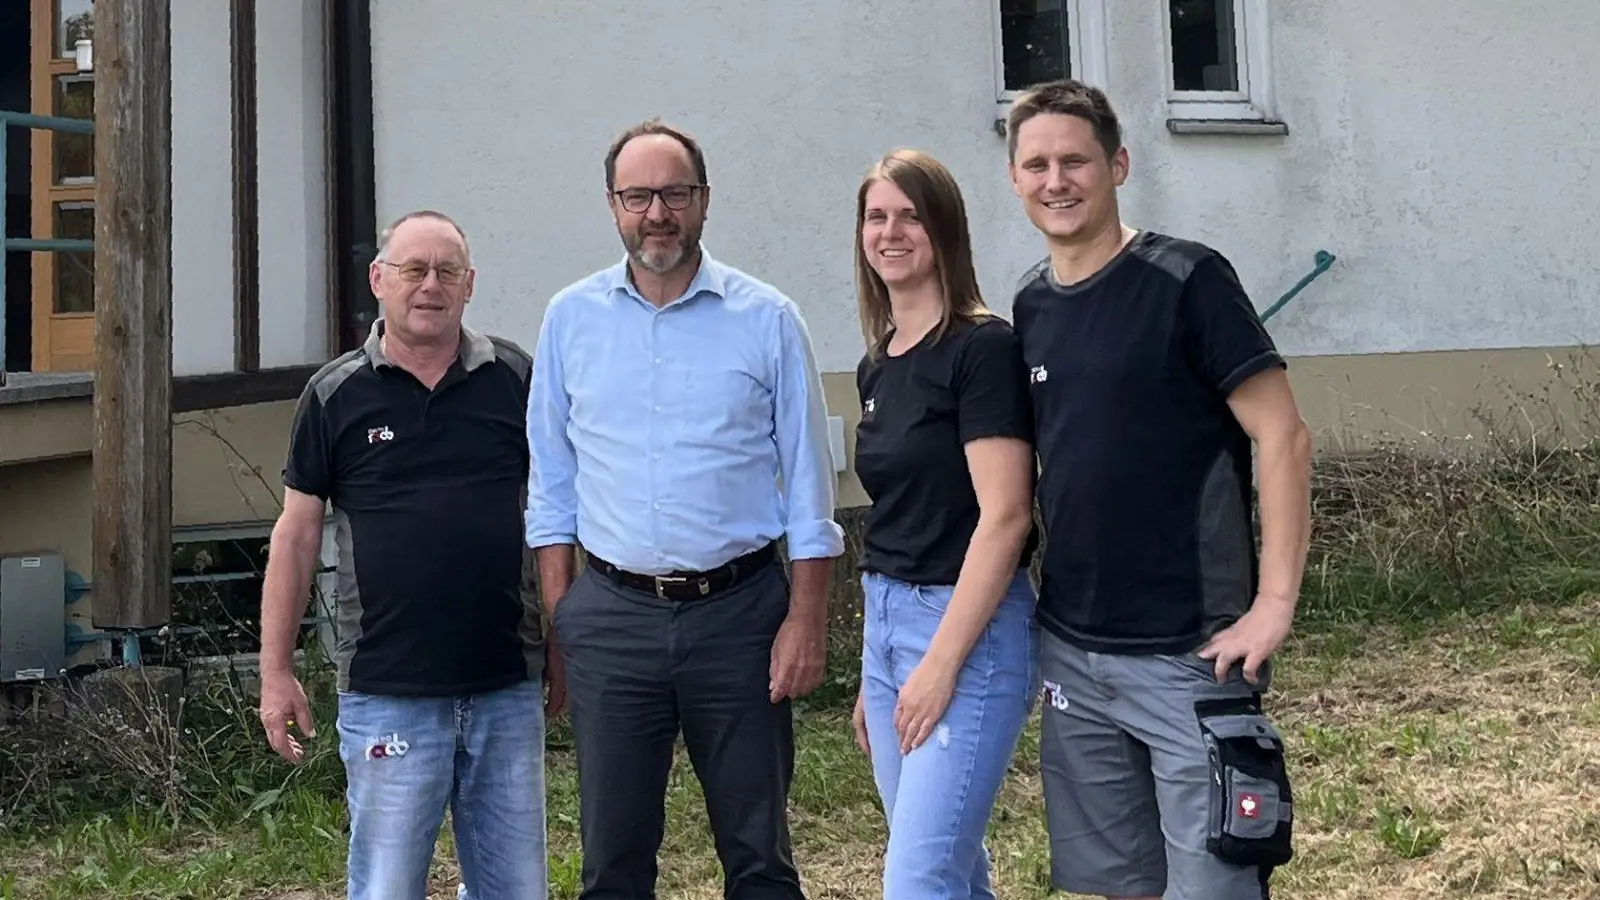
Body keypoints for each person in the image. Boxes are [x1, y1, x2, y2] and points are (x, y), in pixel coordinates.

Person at [1004, 79, 1313, 900]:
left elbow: (1281, 436)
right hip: (1072, 648)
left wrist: (1275, 601)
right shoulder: (1031, 304)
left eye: (1076, 160)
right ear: (1015, 179)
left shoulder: (1188, 280)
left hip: (1192, 656)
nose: (1056, 180)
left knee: (1215, 887)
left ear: (1119, 166)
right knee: (1120, 887)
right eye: (1036, 164)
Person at [524, 118, 845, 900]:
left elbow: (809, 487)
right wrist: (566, 618)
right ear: (612, 205)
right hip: (612, 617)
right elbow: (551, 486)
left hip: (740, 616)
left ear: (704, 201)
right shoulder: (570, 319)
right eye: (639, 196)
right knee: (613, 862)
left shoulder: (766, 319)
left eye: (675, 193)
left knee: (759, 856)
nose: (657, 213)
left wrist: (804, 622)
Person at [257, 210, 555, 900]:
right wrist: (275, 670)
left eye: (447, 271)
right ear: (378, 280)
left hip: (505, 687)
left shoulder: (516, 379)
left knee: (516, 888)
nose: (430, 286)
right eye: (414, 270)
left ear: (470, 284)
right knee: (388, 887)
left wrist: (563, 640)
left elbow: (554, 519)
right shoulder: (334, 395)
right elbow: (297, 534)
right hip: (387, 692)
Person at [844, 148, 1041, 900]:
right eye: (876, 216)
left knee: (918, 880)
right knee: (949, 872)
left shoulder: (981, 349)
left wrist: (940, 664)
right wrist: (881, 669)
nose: (890, 232)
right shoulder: (879, 363)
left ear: (944, 230)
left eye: (909, 216)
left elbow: (1006, 516)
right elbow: (899, 514)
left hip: (968, 632)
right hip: (888, 623)